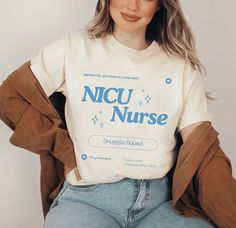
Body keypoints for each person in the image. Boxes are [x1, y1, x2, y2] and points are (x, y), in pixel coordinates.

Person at [9, 0, 219, 227]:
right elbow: (11, 97)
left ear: (159, 5)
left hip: (159, 204)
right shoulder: (73, 48)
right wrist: (64, 149)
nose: (132, 5)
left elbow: (203, 151)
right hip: (86, 201)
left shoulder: (180, 67)